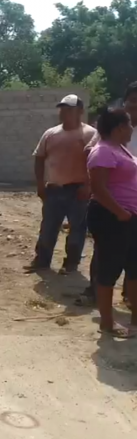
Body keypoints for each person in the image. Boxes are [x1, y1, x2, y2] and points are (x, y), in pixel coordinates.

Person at [25, 94, 96, 274]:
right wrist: (40, 184)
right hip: (54, 189)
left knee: (77, 229)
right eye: (62, 110)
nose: (64, 113)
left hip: (78, 190)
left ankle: (70, 264)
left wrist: (88, 185)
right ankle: (42, 260)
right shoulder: (51, 134)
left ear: (80, 111)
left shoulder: (90, 134)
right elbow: (39, 158)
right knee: (48, 226)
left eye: (69, 110)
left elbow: (96, 162)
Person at [86, 107, 137, 338]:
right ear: (118, 128)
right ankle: (107, 322)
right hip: (111, 217)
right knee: (109, 269)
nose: (132, 128)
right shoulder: (103, 151)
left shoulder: (121, 149)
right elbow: (98, 188)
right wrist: (120, 213)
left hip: (127, 216)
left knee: (134, 269)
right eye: (128, 124)